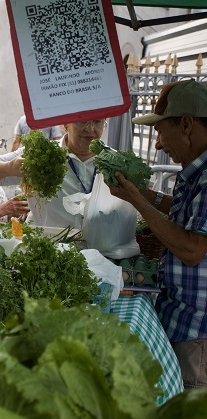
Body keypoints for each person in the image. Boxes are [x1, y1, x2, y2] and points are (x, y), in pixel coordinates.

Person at [106, 79, 207, 388]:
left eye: (161, 131)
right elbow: (179, 213)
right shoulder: (194, 172)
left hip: (197, 334)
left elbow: (192, 250)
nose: (159, 144)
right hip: (181, 319)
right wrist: (143, 195)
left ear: (187, 124)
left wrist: (138, 201)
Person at [0, 117, 107, 229]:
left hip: (98, 253)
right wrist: (9, 167)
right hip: (47, 246)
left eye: (97, 121)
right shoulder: (40, 155)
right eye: (82, 121)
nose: (90, 129)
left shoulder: (115, 163)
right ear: (66, 124)